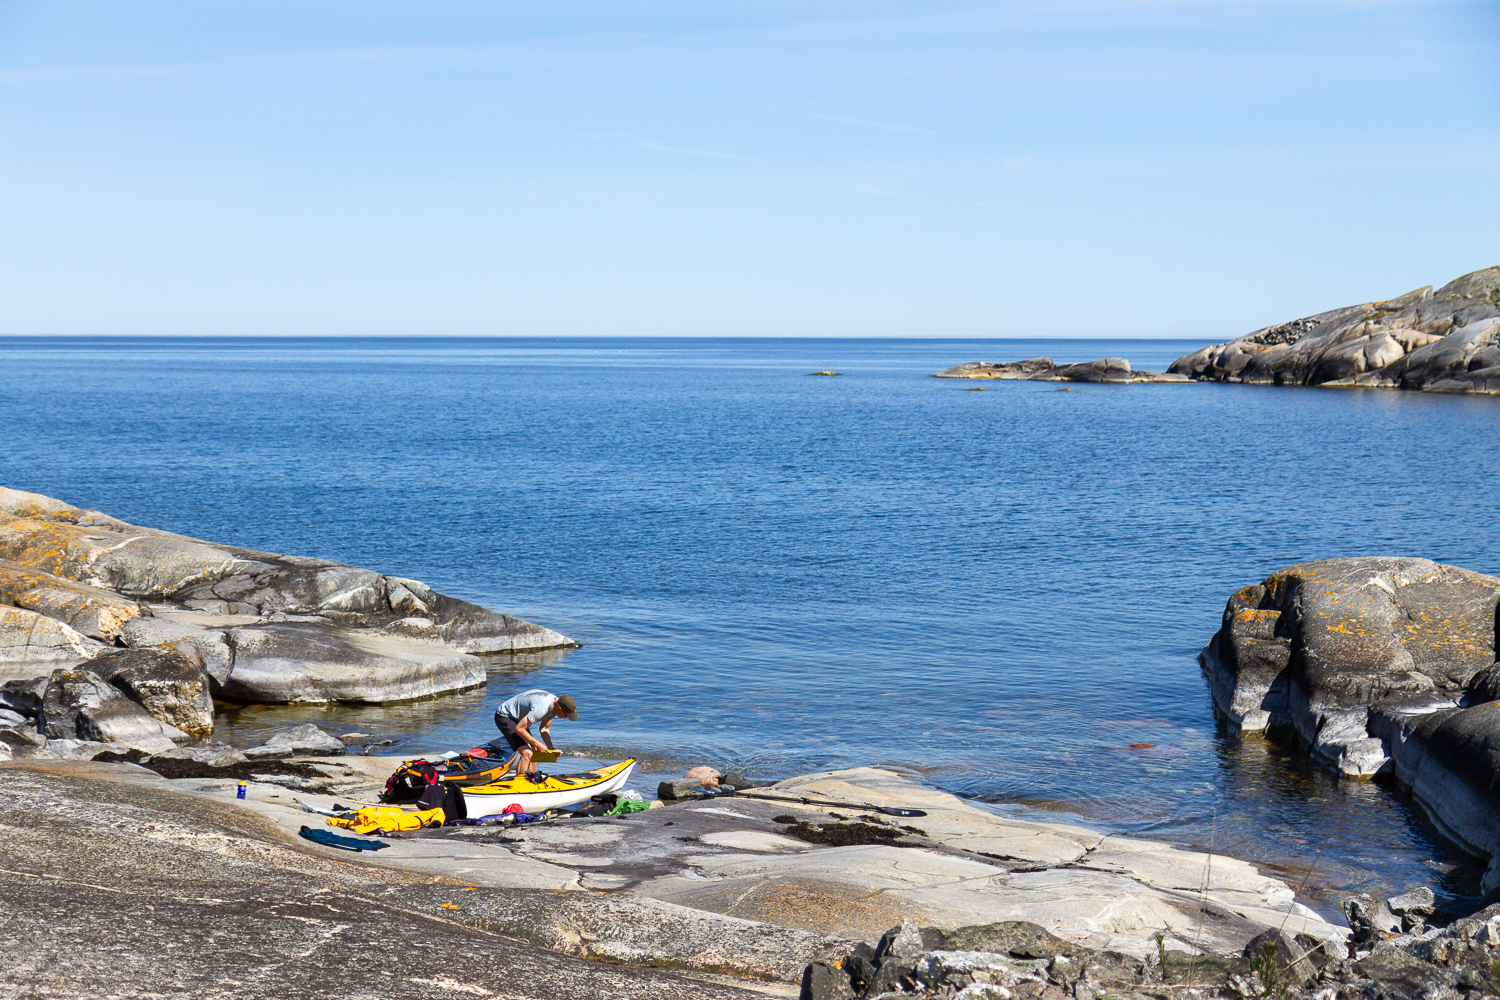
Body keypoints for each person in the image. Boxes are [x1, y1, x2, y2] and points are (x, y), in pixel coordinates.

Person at [494, 689, 577, 781]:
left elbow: (544, 728)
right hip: (505, 716)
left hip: (518, 718)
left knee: (536, 751)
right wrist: (537, 743)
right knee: (527, 753)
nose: (566, 718)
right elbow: (519, 729)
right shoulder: (541, 708)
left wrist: (551, 749)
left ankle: (531, 781)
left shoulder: (555, 705)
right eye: (566, 715)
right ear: (559, 709)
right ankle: (520, 785)